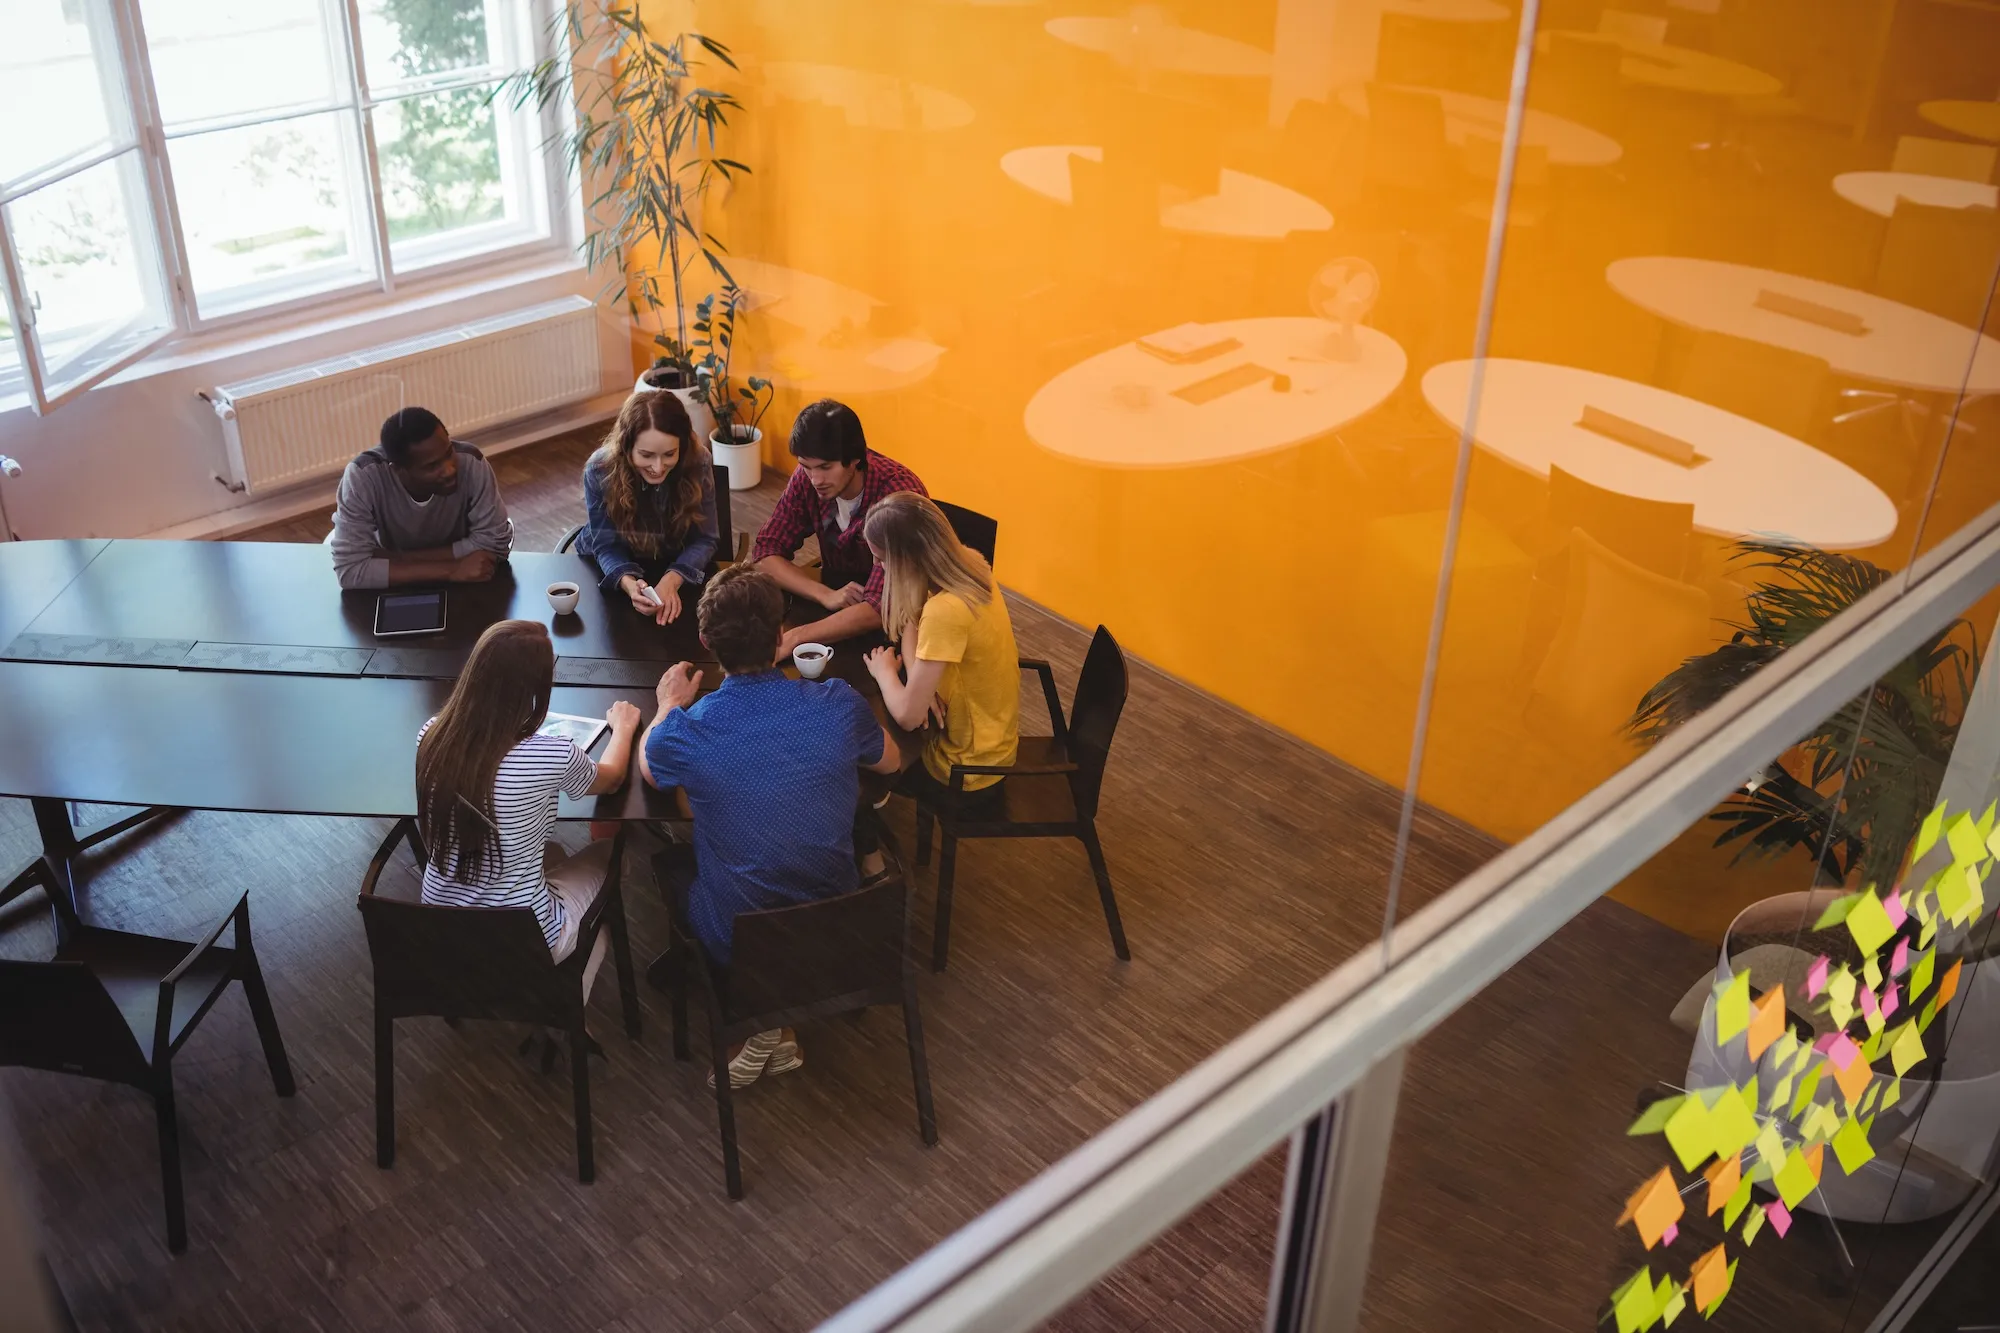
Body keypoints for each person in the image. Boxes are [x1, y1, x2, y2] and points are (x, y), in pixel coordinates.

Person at [640, 564, 902, 1088]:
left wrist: (668, 704)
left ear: (705, 641)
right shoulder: (838, 703)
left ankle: (757, 1017)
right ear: (781, 636)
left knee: (671, 860)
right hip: (838, 913)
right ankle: (773, 1021)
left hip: (738, 933)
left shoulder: (686, 732)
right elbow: (891, 763)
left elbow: (650, 767)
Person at [415, 620, 640, 1003]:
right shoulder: (551, 753)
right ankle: (563, 1006)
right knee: (612, 858)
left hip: (443, 925)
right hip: (525, 936)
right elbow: (613, 778)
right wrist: (623, 728)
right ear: (534, 688)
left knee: (551, 855)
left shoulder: (432, 734)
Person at [862, 492, 1019, 813]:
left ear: (906, 559)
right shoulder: (971, 563)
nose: (877, 567)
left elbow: (908, 717)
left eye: (881, 560)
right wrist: (924, 678)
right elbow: (912, 618)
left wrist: (885, 672)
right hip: (993, 738)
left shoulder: (946, 610)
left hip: (967, 768)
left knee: (859, 763)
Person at [749, 398, 927, 657]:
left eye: (825, 467)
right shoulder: (807, 477)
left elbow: (882, 606)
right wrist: (825, 594)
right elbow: (765, 553)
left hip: (903, 627)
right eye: (806, 467)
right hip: (837, 604)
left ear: (855, 459)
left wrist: (797, 636)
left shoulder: (898, 495)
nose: (815, 479)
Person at [577, 390, 720, 625]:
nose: (658, 467)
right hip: (613, 575)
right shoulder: (599, 469)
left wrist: (672, 580)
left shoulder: (699, 460)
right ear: (626, 445)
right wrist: (628, 583)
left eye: (669, 454)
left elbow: (706, 539)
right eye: (646, 455)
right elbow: (605, 545)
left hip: (677, 566)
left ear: (682, 447)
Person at [332, 406, 513, 590]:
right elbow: (350, 570)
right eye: (432, 466)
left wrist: (394, 558)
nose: (450, 469)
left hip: (461, 584)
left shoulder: (472, 462)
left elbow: (494, 545)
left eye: (449, 452)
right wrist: (453, 569)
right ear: (398, 471)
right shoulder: (363, 476)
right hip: (393, 590)